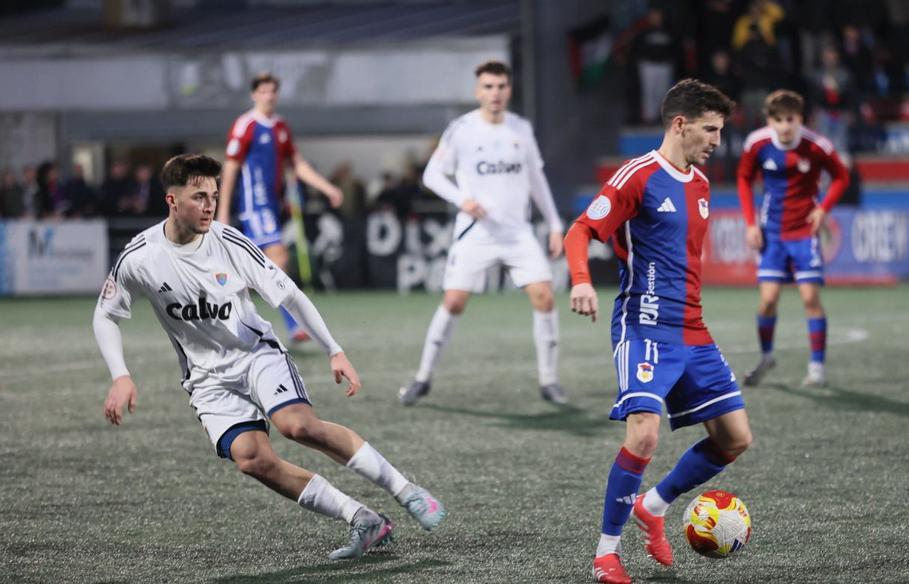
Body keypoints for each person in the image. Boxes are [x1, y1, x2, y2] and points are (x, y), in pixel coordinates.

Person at [93, 154, 445, 560]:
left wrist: (335, 349)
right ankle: (363, 520)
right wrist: (120, 375)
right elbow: (105, 315)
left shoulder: (229, 243)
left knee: (297, 426)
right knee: (251, 458)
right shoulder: (140, 257)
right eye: (198, 197)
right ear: (172, 201)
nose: (209, 205)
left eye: (213, 196)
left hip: (255, 355)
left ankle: (407, 491)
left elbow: (291, 295)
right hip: (206, 379)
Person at [564, 79, 752, 584]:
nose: (717, 140)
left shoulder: (703, 185)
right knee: (644, 435)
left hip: (693, 329)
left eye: (721, 131)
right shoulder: (637, 176)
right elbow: (580, 230)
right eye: (711, 130)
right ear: (680, 124)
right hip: (644, 328)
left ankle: (654, 504)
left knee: (735, 439)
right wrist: (582, 281)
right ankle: (607, 553)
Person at [399, 61, 567, 406]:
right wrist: (464, 199)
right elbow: (432, 175)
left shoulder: (521, 128)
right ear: (478, 91)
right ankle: (423, 377)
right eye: (488, 87)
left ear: (509, 90)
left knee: (544, 296)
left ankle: (549, 381)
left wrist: (554, 223)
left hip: (517, 232)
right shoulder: (461, 129)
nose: (495, 93)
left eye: (501, 86)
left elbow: (536, 178)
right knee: (454, 301)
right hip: (476, 233)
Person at [217, 72, 344, 343]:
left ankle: (228, 320)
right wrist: (223, 212)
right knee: (278, 257)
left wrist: (327, 188)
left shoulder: (280, 127)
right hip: (255, 204)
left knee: (242, 269)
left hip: (272, 206)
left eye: (272, 91)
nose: (269, 96)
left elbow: (296, 164)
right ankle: (293, 324)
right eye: (263, 91)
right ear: (254, 94)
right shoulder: (246, 125)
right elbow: (230, 169)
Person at [737, 90, 849, 388]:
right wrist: (750, 224)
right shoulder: (757, 144)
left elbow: (841, 176)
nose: (785, 126)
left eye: (791, 119)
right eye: (779, 120)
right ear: (769, 120)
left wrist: (823, 209)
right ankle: (766, 355)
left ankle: (816, 368)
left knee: (810, 297)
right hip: (771, 233)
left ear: (801, 119)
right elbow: (744, 179)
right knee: (768, 301)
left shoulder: (816, 145)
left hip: (804, 232)